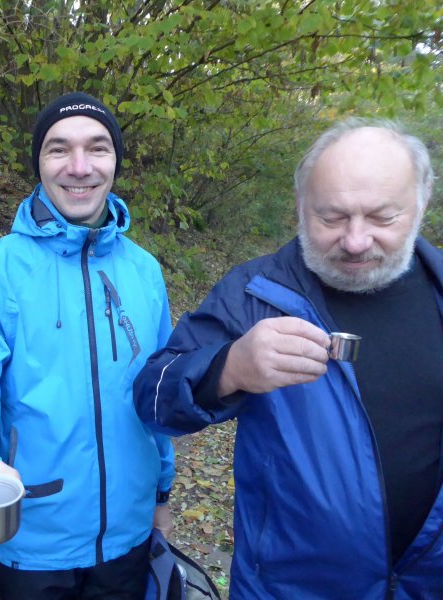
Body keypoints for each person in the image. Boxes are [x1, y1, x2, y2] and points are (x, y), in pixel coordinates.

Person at [134, 118, 443, 598]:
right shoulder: (255, 293)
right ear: (300, 207)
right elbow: (152, 397)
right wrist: (230, 366)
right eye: (332, 218)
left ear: (422, 201)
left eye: (383, 218)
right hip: (287, 587)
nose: (356, 241)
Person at [0, 92, 175, 599]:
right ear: (38, 162)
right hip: (30, 537)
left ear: (116, 162)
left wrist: (162, 492)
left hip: (128, 535)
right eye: (59, 149)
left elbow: (160, 394)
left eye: (97, 148)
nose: (79, 167)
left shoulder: (145, 273)